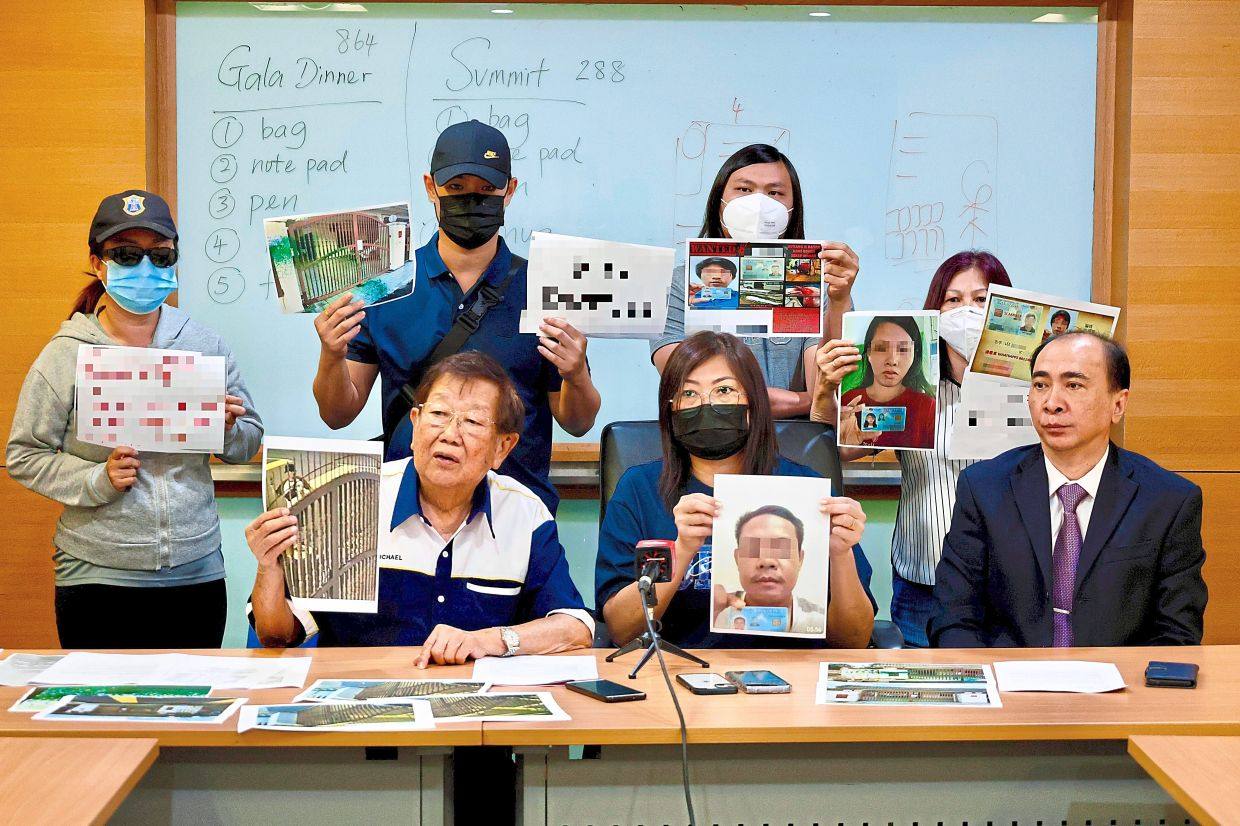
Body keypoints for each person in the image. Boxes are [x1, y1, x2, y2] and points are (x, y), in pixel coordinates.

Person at [6, 190, 263, 648]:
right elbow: (24, 454)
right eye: (125, 255)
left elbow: (248, 441)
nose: (145, 269)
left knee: (191, 712)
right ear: (97, 263)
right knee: (102, 715)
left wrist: (226, 428)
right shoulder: (67, 353)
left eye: (160, 256)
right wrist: (96, 478)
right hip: (96, 576)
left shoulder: (202, 345)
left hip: (196, 571)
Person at [311, 120, 600, 513]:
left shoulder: (546, 287)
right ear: (431, 187)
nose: (471, 201)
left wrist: (576, 372)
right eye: (456, 189)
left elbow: (578, 423)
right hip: (407, 514)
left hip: (517, 514)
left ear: (509, 191)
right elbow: (337, 414)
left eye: (486, 190)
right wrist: (330, 354)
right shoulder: (385, 285)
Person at [248, 350, 594, 659]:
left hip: (472, 714)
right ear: (415, 426)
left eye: (472, 422)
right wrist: (268, 566)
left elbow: (575, 627)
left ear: (502, 447)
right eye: (439, 414)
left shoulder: (524, 513)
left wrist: (489, 640)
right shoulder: (351, 497)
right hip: (360, 707)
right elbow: (277, 634)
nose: (449, 434)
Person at [596, 331, 876, 649]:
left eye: (724, 390)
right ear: (670, 409)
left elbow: (854, 640)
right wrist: (683, 547)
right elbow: (621, 629)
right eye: (688, 394)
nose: (707, 405)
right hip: (679, 678)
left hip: (793, 680)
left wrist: (840, 555)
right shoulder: (639, 489)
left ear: (753, 402)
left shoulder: (805, 489)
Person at [929, 332, 1207, 647]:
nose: (1051, 403)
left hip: (1118, 688)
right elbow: (953, 618)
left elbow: (1176, 634)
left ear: (1118, 404)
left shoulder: (1168, 501)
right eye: (1040, 385)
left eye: (1073, 386)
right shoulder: (983, 489)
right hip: (1010, 684)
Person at [813, 250, 1013, 646]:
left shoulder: (1030, 390)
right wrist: (824, 398)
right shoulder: (911, 392)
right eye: (953, 300)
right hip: (924, 583)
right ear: (934, 312)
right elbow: (844, 453)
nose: (967, 311)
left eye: (980, 299)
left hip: (1008, 587)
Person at [651, 144, 860, 418]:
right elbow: (686, 384)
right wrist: (803, 401)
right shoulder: (679, 283)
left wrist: (840, 299)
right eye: (744, 189)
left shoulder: (817, 282)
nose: (759, 204)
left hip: (795, 443)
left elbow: (825, 385)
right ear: (720, 201)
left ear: (792, 207)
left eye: (775, 193)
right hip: (706, 442)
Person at [711, 505, 827, 634]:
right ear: (737, 559)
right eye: (753, 548)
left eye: (781, 549)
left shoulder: (822, 621)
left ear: (800, 559)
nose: (766, 561)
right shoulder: (718, 614)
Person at [835, 316, 936, 450]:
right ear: (869, 352)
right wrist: (842, 448)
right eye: (882, 348)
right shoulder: (848, 403)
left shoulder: (928, 408)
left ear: (914, 355)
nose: (892, 360)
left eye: (903, 349)